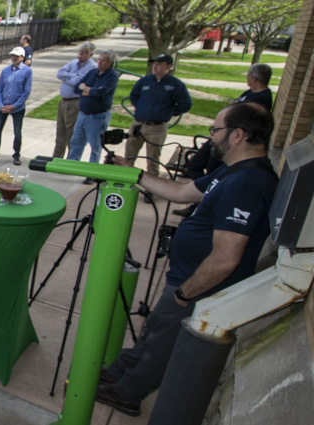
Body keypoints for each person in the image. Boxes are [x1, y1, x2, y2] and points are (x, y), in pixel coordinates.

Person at [97, 102, 279, 417]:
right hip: (186, 278)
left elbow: (225, 259)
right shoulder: (234, 171)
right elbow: (181, 194)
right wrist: (134, 172)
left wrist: (186, 293)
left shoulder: (247, 184)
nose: (210, 137)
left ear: (237, 135)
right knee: (155, 330)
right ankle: (118, 372)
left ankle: (127, 393)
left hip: (201, 286)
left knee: (162, 344)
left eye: (215, 130)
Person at [176, 63, 273, 216]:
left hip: (229, 141)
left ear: (254, 79)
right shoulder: (250, 92)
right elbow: (233, 107)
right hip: (222, 134)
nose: (247, 78)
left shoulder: (261, 99)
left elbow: (243, 120)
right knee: (195, 164)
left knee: (213, 171)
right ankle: (201, 198)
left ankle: (203, 202)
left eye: (248, 75)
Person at [123, 54, 192, 177]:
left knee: (152, 160)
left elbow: (185, 104)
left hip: (157, 128)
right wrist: (140, 108)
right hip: (138, 124)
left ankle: (151, 191)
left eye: (159, 64)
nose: (155, 66)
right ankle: (124, 183)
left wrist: (169, 112)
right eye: (154, 63)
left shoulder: (176, 84)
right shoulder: (145, 80)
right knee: (129, 157)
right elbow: (134, 95)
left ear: (169, 66)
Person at [67, 50, 119, 172]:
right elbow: (76, 88)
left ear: (110, 63)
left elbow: (100, 92)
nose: (99, 63)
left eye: (102, 61)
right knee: (76, 142)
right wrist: (90, 91)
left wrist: (85, 88)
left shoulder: (112, 76)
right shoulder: (93, 72)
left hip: (97, 117)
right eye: (98, 59)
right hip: (83, 114)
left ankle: (92, 172)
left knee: (95, 146)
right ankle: (71, 168)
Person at [0, 47, 32, 166]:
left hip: (17, 108)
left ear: (21, 58)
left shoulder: (27, 71)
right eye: (12, 55)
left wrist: (14, 106)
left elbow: (26, 92)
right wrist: (0, 105)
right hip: (3, 106)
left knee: (17, 132)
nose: (13, 58)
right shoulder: (5, 71)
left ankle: (16, 155)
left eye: (16, 56)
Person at [53, 41, 98, 158]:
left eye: (83, 53)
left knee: (71, 133)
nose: (80, 55)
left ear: (90, 54)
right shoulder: (73, 62)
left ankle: (70, 159)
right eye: (79, 52)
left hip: (74, 103)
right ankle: (57, 157)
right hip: (63, 101)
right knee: (60, 132)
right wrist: (73, 75)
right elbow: (59, 74)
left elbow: (76, 83)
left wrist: (68, 77)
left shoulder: (92, 67)